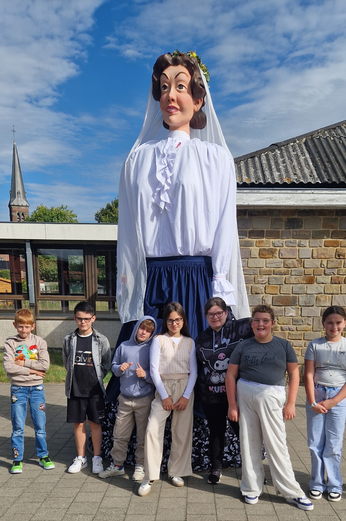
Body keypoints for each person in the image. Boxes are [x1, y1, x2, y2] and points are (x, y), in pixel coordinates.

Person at [116, 50, 249, 341]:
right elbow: (127, 229)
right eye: (164, 87)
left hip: (197, 280)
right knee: (143, 363)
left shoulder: (215, 158)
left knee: (196, 361)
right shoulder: (137, 160)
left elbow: (225, 226)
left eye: (180, 86)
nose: (170, 96)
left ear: (198, 100)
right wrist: (130, 281)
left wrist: (219, 281)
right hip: (151, 280)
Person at [226, 304, 313, 509]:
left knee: (276, 444)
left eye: (265, 320)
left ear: (273, 323)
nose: (261, 324)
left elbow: (294, 374)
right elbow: (230, 375)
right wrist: (232, 405)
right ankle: (251, 487)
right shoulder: (243, 346)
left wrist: (291, 403)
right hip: (245, 395)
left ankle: (291, 491)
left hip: (272, 396)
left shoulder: (284, 346)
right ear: (251, 323)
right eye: (256, 320)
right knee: (249, 443)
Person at [138, 302, 197, 496]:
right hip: (164, 388)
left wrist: (186, 396)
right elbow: (154, 370)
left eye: (178, 320)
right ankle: (150, 475)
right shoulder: (159, 340)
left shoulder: (189, 342)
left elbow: (194, 371)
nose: (174, 324)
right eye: (170, 320)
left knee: (181, 432)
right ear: (166, 321)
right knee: (152, 430)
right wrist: (164, 396)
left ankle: (176, 471)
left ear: (183, 321)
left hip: (185, 387)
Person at [304, 305, 346, 501]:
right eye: (329, 323)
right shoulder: (315, 345)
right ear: (323, 323)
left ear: (345, 323)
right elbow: (308, 375)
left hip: (338, 396)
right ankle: (316, 483)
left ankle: (334, 484)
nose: (334, 327)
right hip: (317, 394)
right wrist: (312, 402)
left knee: (334, 444)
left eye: (338, 323)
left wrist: (334, 401)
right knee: (315, 443)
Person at [195, 296, 253, 484]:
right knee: (216, 432)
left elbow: (262, 324)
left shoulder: (241, 328)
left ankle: (252, 470)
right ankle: (216, 468)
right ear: (206, 316)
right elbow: (197, 367)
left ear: (226, 313)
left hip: (236, 395)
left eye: (219, 313)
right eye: (211, 314)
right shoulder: (201, 339)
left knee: (244, 432)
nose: (215, 317)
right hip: (211, 396)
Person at [99, 316, 157, 481]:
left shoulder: (153, 349)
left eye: (148, 331)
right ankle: (117, 465)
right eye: (142, 328)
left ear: (152, 334)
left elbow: (157, 374)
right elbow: (114, 367)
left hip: (145, 400)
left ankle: (141, 466)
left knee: (143, 436)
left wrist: (145, 375)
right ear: (136, 328)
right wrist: (120, 368)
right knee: (120, 435)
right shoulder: (124, 346)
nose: (143, 332)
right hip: (124, 399)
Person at [3, 308, 55, 474]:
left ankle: (43, 456)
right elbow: (9, 368)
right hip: (18, 389)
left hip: (37, 389)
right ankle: (17, 459)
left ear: (32, 326)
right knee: (18, 426)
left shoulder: (39, 342)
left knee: (40, 425)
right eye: (20, 326)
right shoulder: (10, 343)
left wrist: (22, 363)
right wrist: (32, 370)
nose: (23, 330)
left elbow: (45, 365)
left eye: (27, 327)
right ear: (15, 325)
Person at [62, 301, 111, 474]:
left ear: (93, 318)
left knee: (95, 423)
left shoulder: (101, 340)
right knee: (78, 423)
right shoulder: (69, 339)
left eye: (86, 319)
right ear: (74, 318)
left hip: (95, 391)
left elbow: (106, 363)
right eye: (79, 318)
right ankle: (81, 458)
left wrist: (96, 378)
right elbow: (66, 362)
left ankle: (97, 457)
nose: (83, 322)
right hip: (75, 389)